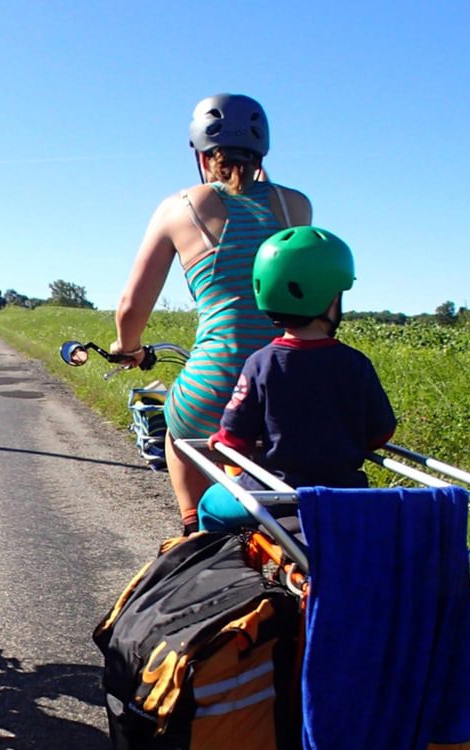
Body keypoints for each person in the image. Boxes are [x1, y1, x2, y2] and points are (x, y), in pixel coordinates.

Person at [106, 94, 312, 533]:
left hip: (216, 381)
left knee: (179, 429)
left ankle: (192, 533)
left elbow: (131, 306)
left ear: (200, 154)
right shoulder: (297, 206)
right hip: (292, 382)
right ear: (262, 153)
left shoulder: (178, 207)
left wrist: (127, 348)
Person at [200, 226, 395, 529]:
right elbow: (380, 433)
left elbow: (235, 439)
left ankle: (213, 569)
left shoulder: (260, 363)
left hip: (273, 495)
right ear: (331, 299)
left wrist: (220, 441)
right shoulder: (357, 364)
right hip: (344, 495)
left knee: (209, 505)